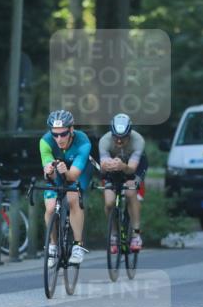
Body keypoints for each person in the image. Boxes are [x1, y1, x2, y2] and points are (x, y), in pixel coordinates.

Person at [40, 110, 92, 266]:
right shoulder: (45, 142)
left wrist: (66, 172)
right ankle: (53, 245)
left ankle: (78, 245)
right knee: (50, 208)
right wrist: (49, 171)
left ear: (71, 129)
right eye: (55, 135)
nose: (59, 139)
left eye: (63, 134)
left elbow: (72, 177)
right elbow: (48, 173)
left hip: (77, 172)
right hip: (59, 171)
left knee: (72, 198)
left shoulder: (83, 141)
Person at [99, 113, 148, 253]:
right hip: (113, 168)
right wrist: (107, 165)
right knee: (109, 202)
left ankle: (136, 235)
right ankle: (113, 234)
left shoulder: (138, 141)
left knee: (130, 192)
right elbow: (103, 164)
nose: (119, 142)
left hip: (134, 167)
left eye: (123, 138)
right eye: (116, 137)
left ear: (130, 134)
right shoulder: (104, 141)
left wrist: (123, 166)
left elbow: (131, 169)